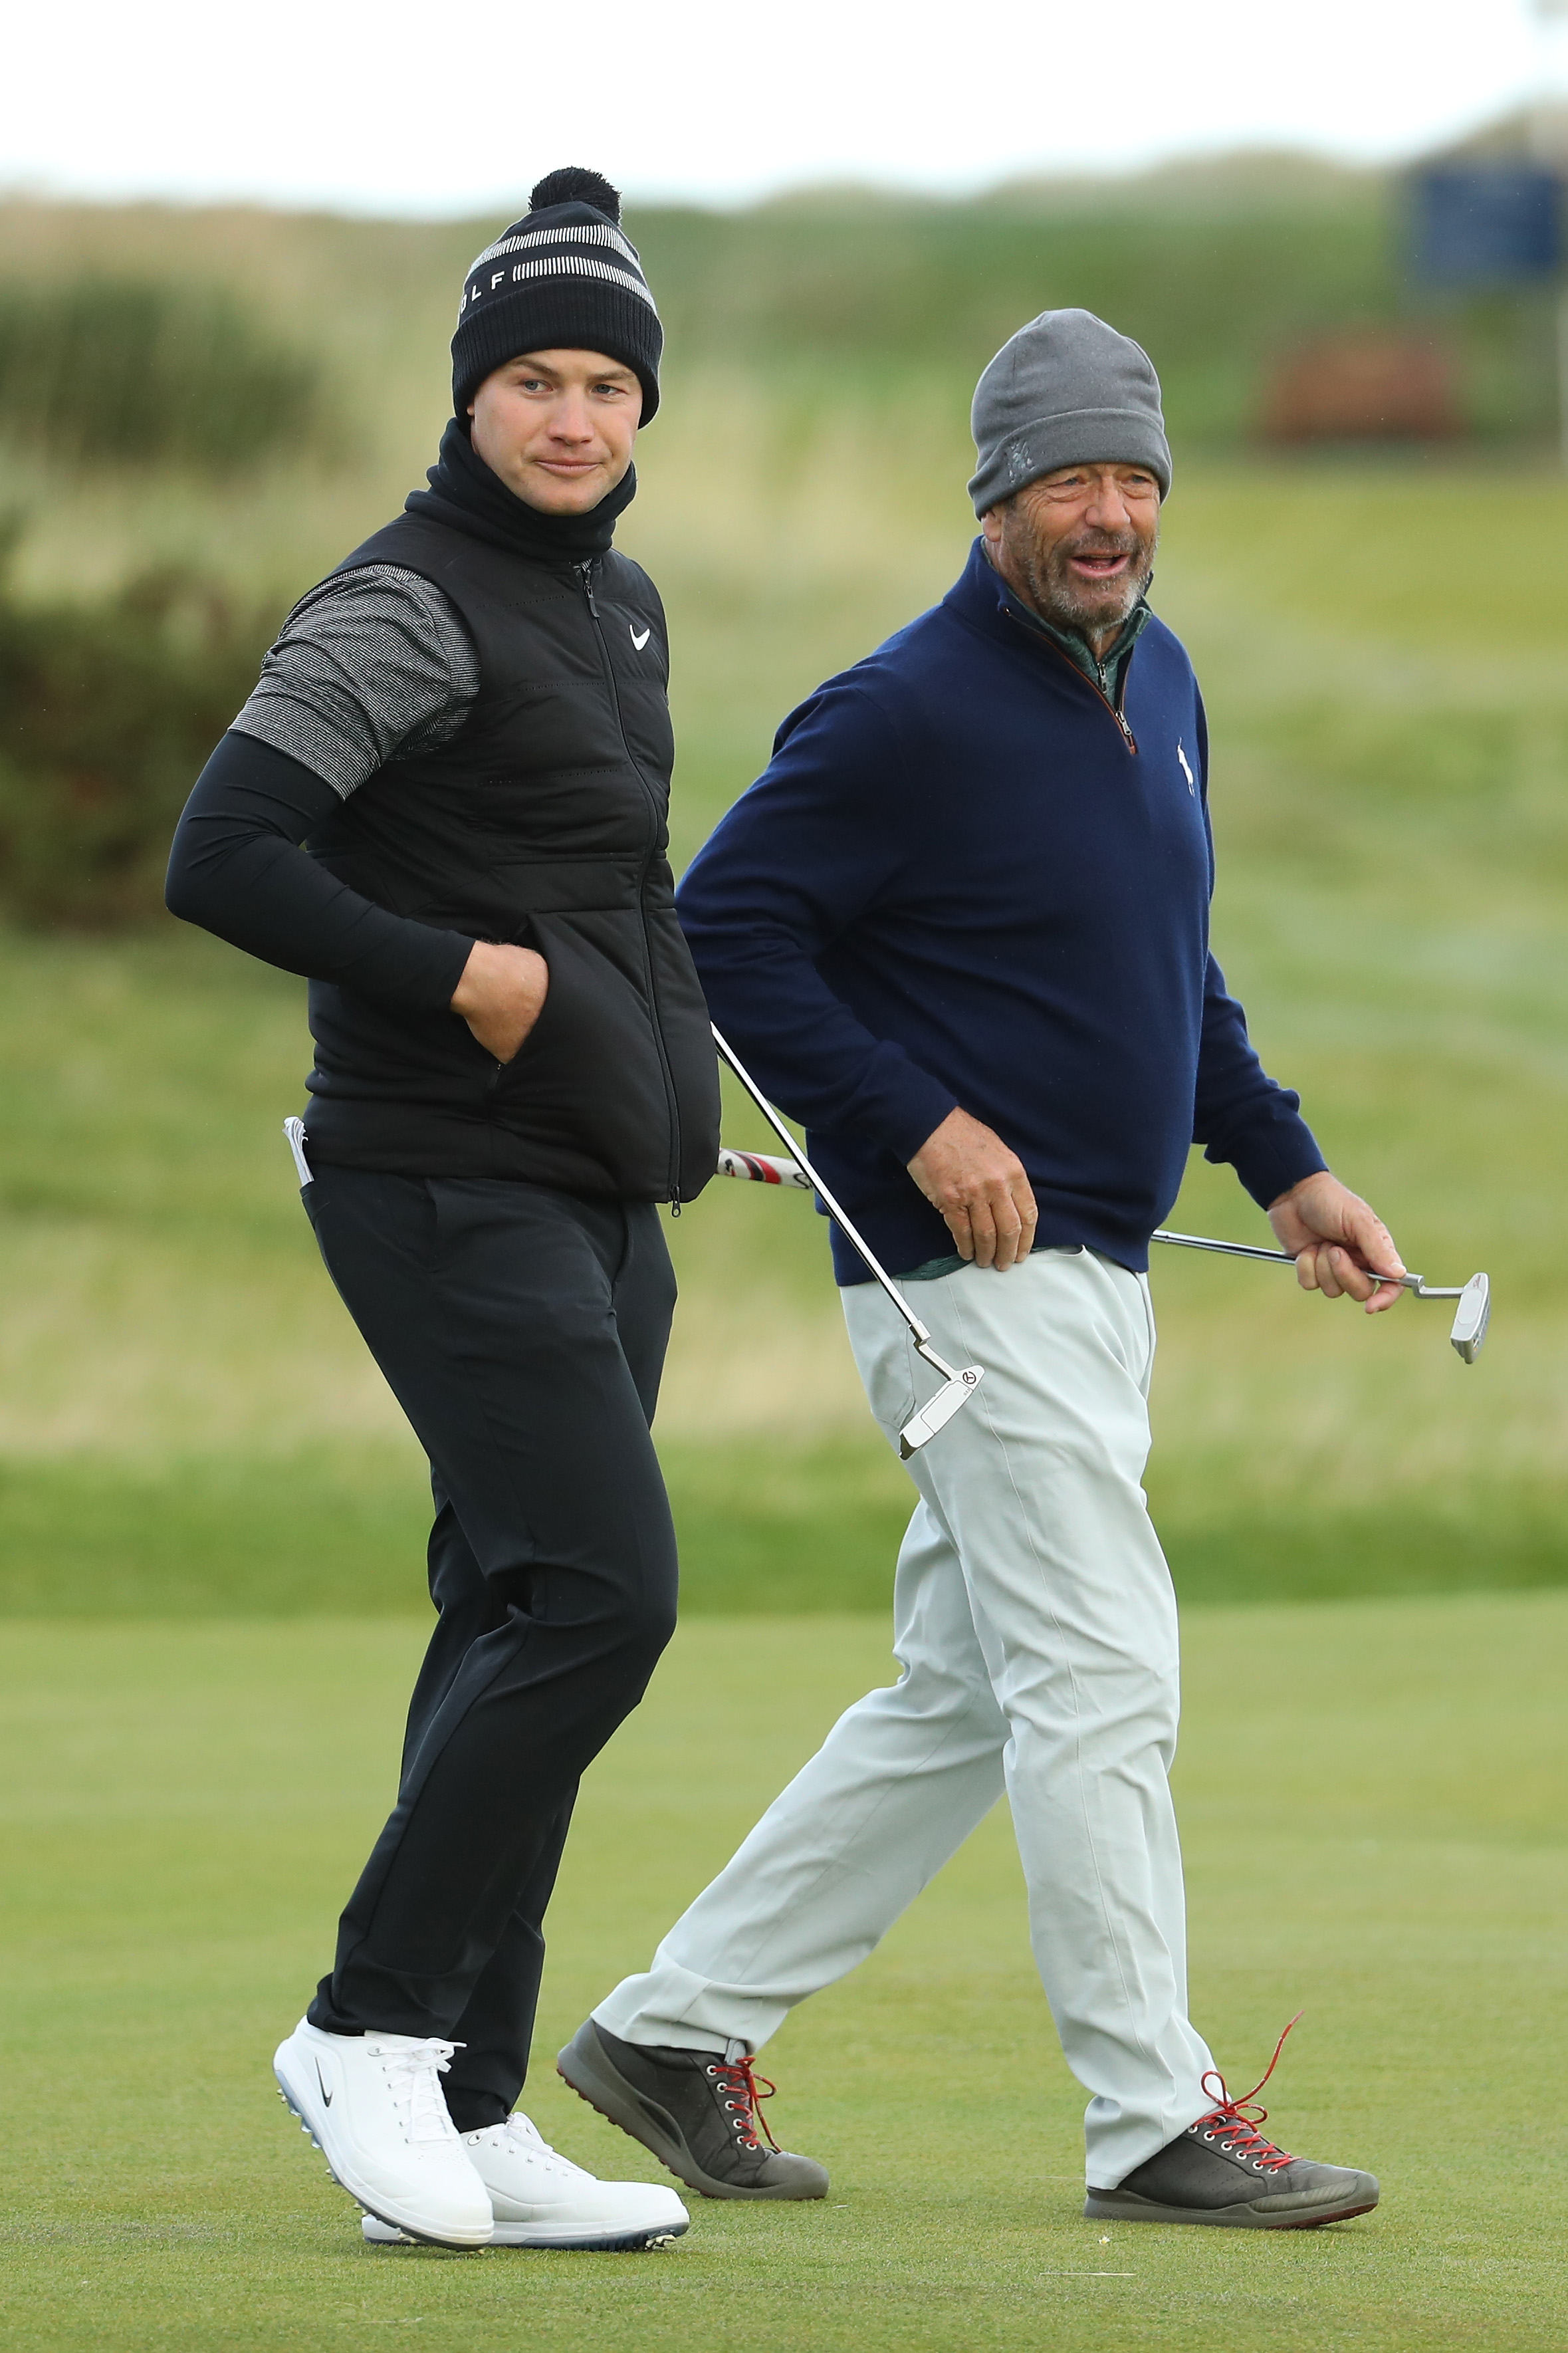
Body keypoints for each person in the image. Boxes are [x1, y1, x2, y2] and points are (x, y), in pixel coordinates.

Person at [557, 309, 1392, 2231]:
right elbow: (728, 932)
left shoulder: (1161, 683)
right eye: (1065, 484)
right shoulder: (901, 708)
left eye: (1134, 480)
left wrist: (1288, 1164)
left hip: (1098, 1274)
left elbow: (1172, 967)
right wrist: (918, 1117)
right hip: (959, 1280)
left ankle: (673, 2031)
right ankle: (1150, 2115)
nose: (1106, 517)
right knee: (1103, 1667)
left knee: (966, 1693)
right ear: (997, 499)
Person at [166, 168, 718, 2252]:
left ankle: (475, 2105)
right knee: (601, 1593)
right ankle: (367, 2029)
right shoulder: (403, 598)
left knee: (511, 1603)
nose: (573, 416)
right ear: (473, 395)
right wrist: (460, 978)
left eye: (604, 382)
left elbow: (617, 892)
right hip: (430, 1171)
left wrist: (670, 1093)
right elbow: (226, 854)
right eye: (534, 379)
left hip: (595, 1188)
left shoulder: (622, 604)